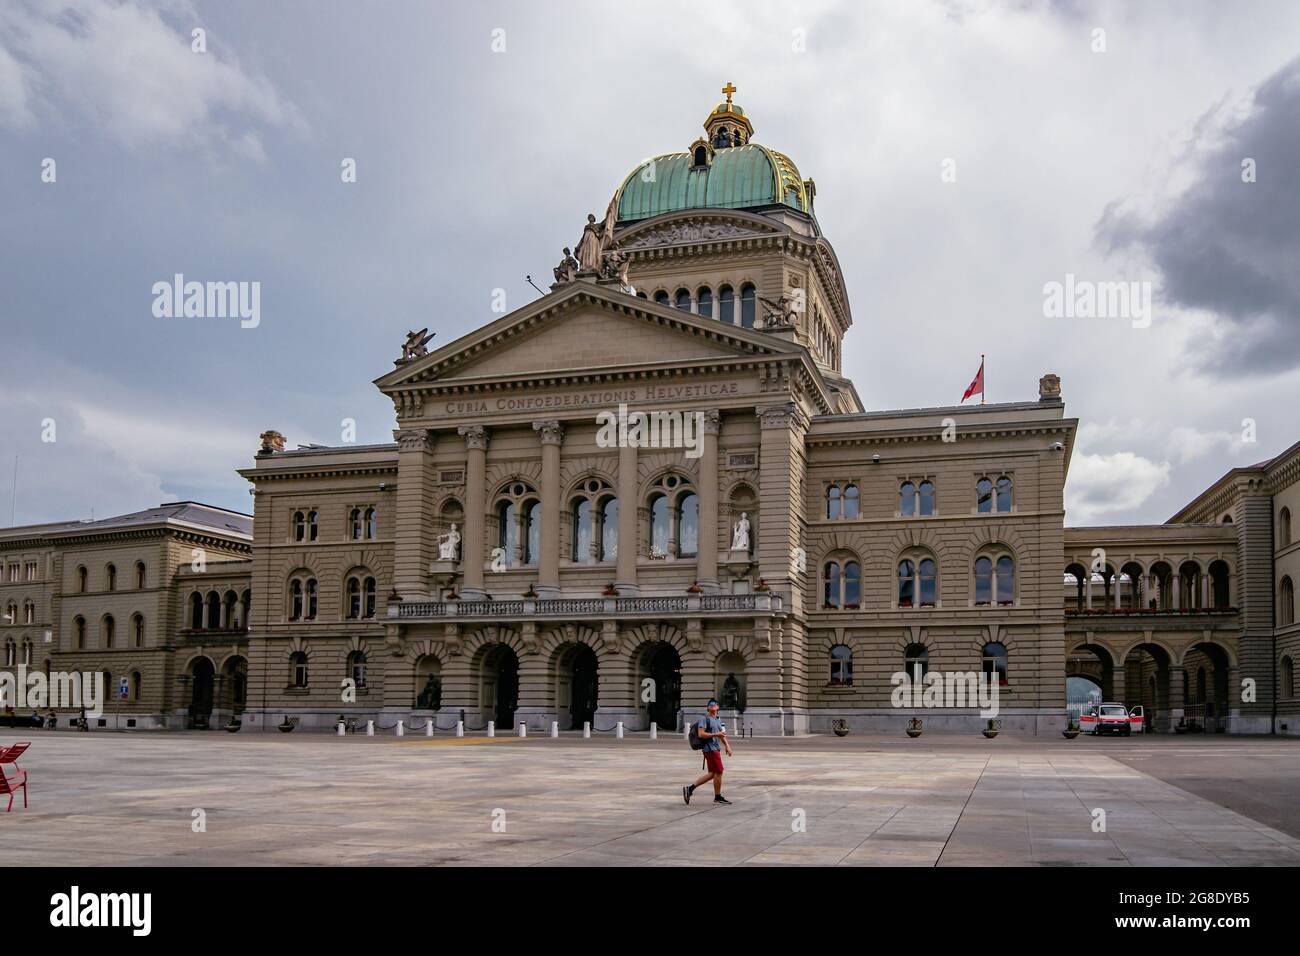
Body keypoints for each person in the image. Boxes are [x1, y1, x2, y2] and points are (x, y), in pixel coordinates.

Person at [683, 698, 733, 806]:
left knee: (712, 774)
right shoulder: (704, 719)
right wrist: (716, 735)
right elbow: (701, 734)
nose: (713, 705)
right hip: (709, 749)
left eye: (715, 704)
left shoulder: (719, 720)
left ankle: (689, 789)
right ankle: (717, 797)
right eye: (710, 704)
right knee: (719, 771)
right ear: (708, 708)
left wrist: (727, 746)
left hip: (716, 748)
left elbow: (722, 735)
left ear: (718, 707)